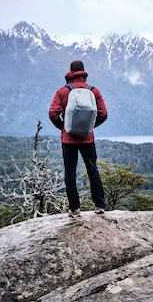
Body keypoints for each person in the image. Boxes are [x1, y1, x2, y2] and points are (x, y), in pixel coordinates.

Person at [49, 60, 108, 216]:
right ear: (83, 73)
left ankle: (75, 208)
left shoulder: (63, 92)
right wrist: (89, 127)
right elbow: (103, 114)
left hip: (68, 139)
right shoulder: (94, 91)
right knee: (92, 169)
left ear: (70, 73)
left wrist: (63, 126)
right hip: (87, 138)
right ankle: (99, 205)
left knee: (70, 172)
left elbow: (53, 113)